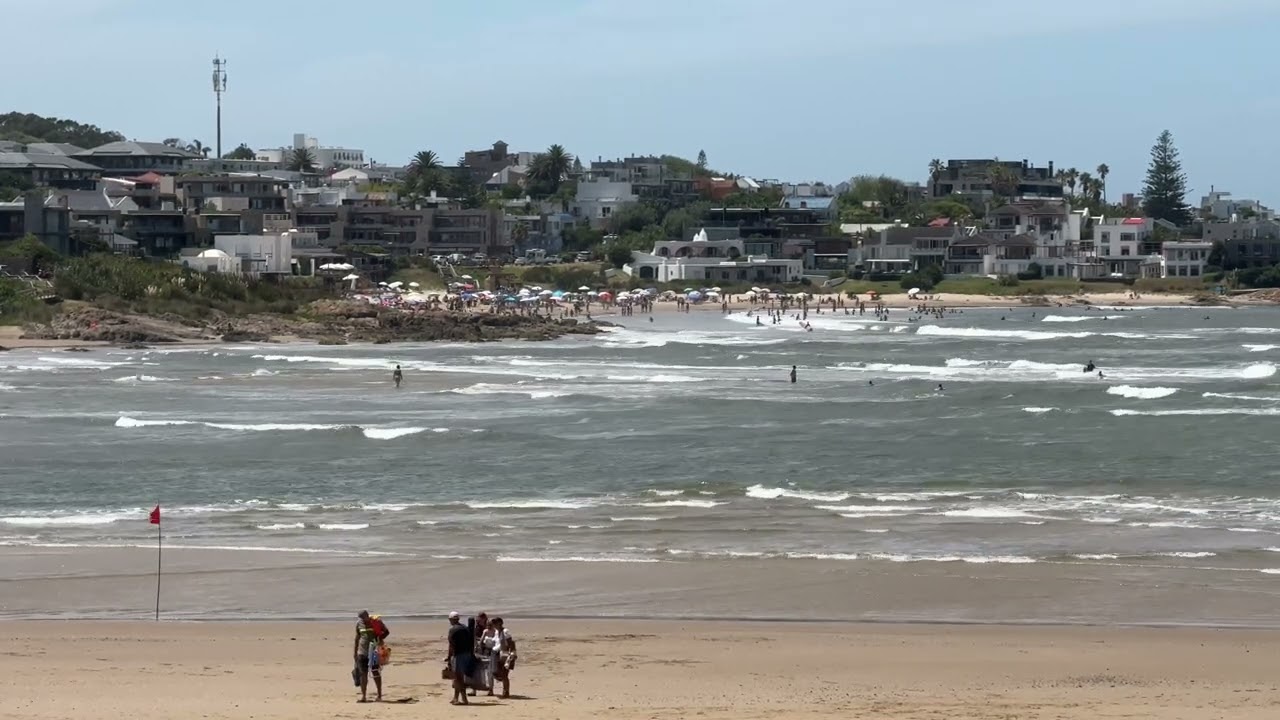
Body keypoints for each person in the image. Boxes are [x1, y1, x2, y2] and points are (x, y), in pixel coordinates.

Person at [353, 610, 384, 703]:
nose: (363, 620)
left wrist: (380, 641)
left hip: (374, 652)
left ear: (368, 616)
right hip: (362, 652)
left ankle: (379, 695)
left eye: (364, 617)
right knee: (363, 675)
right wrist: (355, 652)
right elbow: (357, 638)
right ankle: (363, 696)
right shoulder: (359, 624)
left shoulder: (375, 622)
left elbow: (385, 632)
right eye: (361, 618)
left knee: (375, 673)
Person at [483, 617, 517, 698]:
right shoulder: (497, 632)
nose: (494, 625)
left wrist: (512, 654)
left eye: (495, 623)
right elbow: (496, 642)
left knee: (504, 674)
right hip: (497, 654)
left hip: (505, 654)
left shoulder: (505, 632)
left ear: (500, 623)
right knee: (496, 672)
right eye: (493, 623)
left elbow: (511, 643)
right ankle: (505, 690)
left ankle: (506, 691)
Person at [445, 611, 474, 706]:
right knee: (459, 677)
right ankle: (456, 697)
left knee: (458, 678)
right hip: (467, 654)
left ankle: (463, 699)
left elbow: (451, 645)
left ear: (451, 620)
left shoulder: (453, 630)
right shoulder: (465, 628)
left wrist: (449, 657)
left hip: (458, 655)